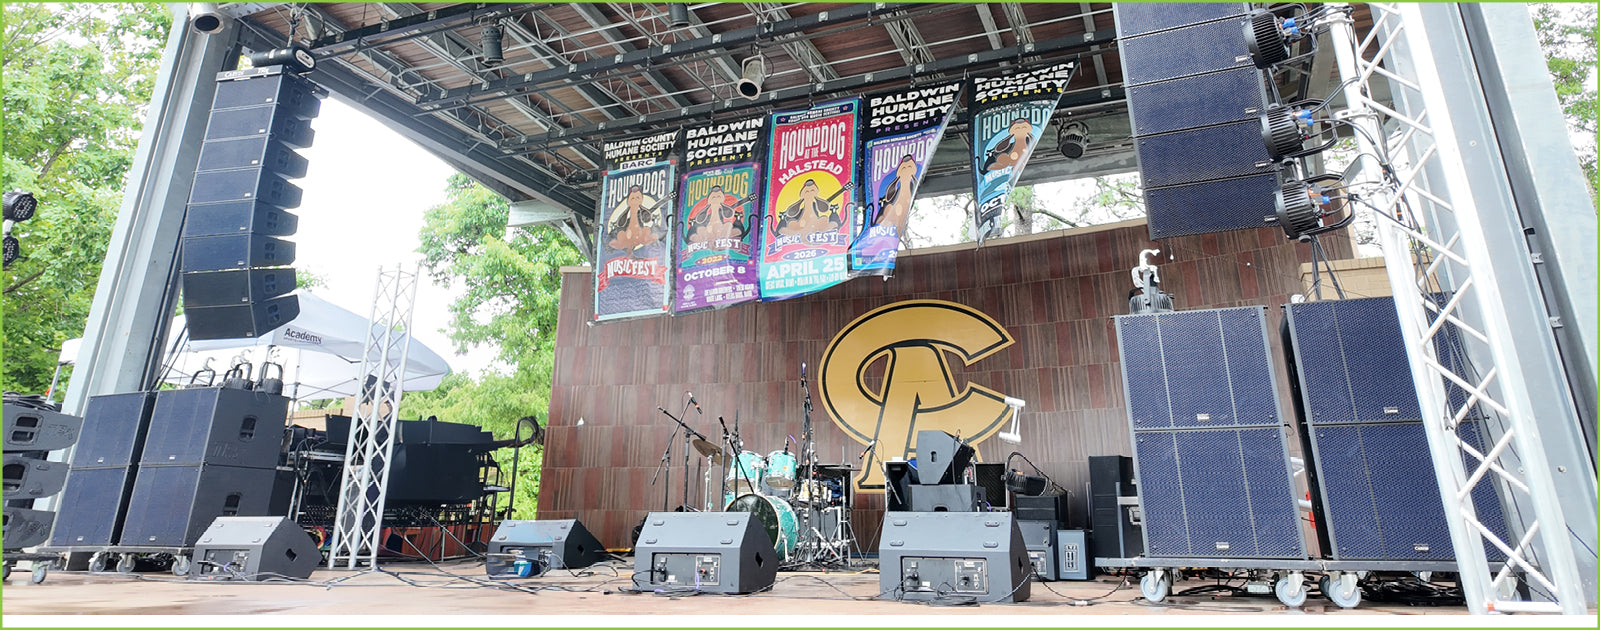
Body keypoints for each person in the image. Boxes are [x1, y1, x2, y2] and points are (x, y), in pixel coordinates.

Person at [775, 179, 842, 237]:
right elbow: (791, 213)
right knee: (791, 224)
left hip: (815, 226)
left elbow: (824, 208)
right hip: (801, 226)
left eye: (812, 190)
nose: (809, 193)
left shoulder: (815, 203)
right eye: (807, 191)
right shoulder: (800, 207)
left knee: (824, 219)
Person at [607, 185, 662, 254]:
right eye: (632, 198)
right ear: (628, 201)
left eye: (637, 198)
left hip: (640, 238)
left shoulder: (643, 215)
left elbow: (647, 221)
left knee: (647, 229)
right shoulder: (625, 220)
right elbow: (620, 225)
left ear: (641, 199)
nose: (635, 200)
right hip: (627, 238)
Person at [873, 155, 919, 232]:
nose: (906, 170)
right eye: (904, 168)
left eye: (909, 168)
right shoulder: (893, 194)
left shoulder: (912, 188)